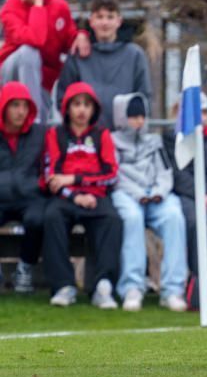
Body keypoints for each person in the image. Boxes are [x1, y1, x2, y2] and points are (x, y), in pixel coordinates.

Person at [41, 81, 122, 309]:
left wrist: (77, 180)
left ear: (93, 109)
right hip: (66, 198)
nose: (82, 110)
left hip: (96, 196)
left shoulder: (101, 134)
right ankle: (63, 286)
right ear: (67, 108)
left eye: (87, 105)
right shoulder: (55, 134)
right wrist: (74, 195)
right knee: (51, 218)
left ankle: (103, 286)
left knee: (113, 220)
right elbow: (52, 176)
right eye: (77, 104)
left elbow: (111, 174)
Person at [110, 93, 188, 312]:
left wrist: (158, 192)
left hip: (155, 196)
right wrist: (137, 194)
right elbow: (114, 175)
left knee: (174, 215)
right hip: (126, 195)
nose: (139, 121)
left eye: (142, 116)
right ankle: (132, 288)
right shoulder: (112, 141)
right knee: (132, 218)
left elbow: (165, 171)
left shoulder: (154, 141)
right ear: (122, 117)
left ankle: (172, 290)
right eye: (133, 116)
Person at [0, 0, 90, 122]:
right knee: (29, 52)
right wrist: (38, 4)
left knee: (46, 126)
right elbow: (35, 39)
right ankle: (33, 120)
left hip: (43, 80)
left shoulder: (59, 6)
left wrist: (81, 35)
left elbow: (69, 37)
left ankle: (40, 124)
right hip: (11, 73)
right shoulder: (10, 8)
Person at [162, 93, 207, 285]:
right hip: (187, 196)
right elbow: (177, 174)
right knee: (194, 223)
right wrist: (201, 197)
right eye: (196, 112)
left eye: (205, 112)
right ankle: (197, 283)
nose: (201, 117)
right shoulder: (172, 139)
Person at [58, 0, 152, 129]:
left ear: (119, 21)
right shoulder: (77, 56)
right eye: (100, 17)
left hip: (125, 139)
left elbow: (144, 97)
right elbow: (63, 98)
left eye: (110, 17)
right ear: (91, 21)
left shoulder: (135, 54)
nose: (105, 22)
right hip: (87, 139)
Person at [0, 81, 47, 293]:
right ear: (4, 107)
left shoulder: (41, 134)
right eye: (15, 105)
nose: (20, 111)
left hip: (30, 196)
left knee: (37, 219)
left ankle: (25, 269)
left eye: (25, 106)